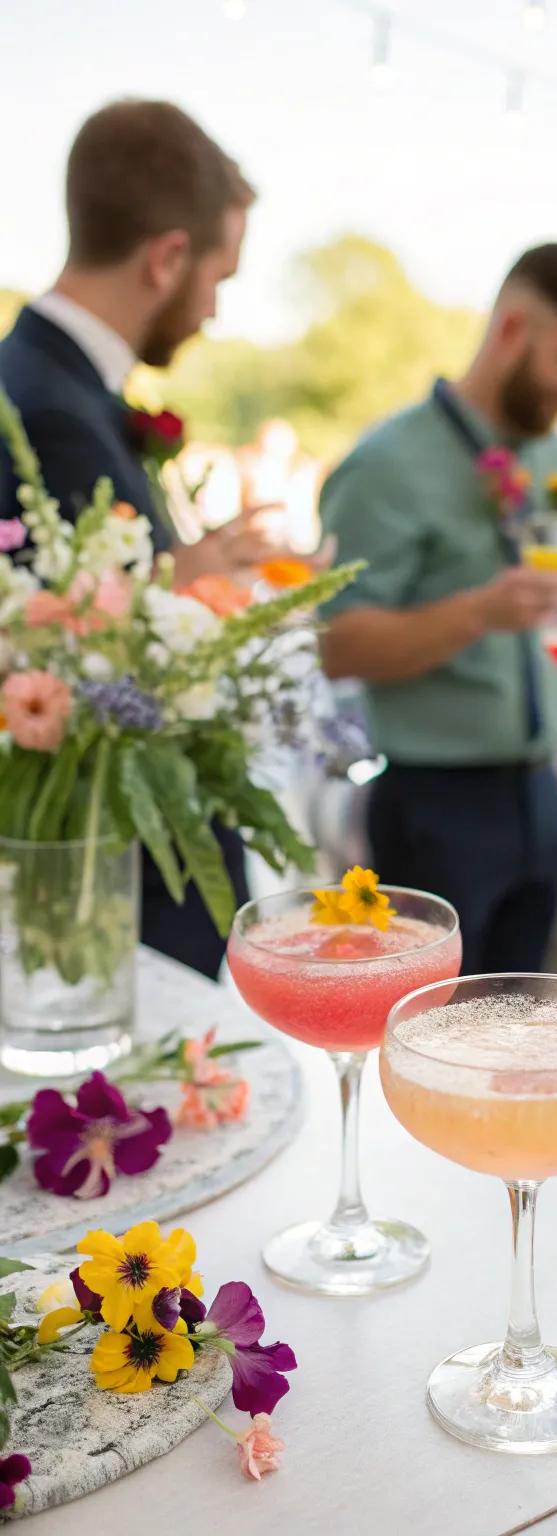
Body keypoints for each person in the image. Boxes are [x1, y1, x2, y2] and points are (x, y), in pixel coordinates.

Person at [0, 100, 268, 979]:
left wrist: (186, 569)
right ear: (166, 258)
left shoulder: (56, 383)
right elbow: (61, 657)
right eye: (218, 279)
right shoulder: (51, 409)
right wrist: (180, 587)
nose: (215, 311)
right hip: (107, 917)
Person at [318, 244, 557, 974]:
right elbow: (336, 644)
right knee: (430, 1045)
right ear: (511, 330)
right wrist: (479, 611)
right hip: (433, 803)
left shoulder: (556, 462)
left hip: (541, 792)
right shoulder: (386, 464)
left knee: (515, 1035)